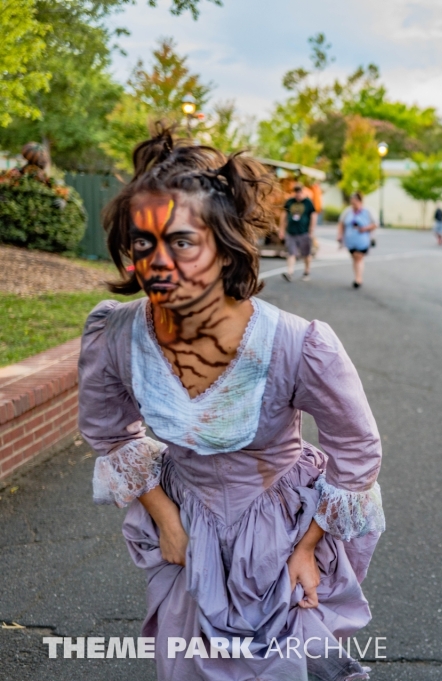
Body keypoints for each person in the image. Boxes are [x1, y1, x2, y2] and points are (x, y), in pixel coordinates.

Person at [83, 129, 384, 680]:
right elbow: (110, 431)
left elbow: (357, 448)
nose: (157, 263)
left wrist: (309, 547)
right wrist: (166, 518)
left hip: (280, 530)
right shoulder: (116, 335)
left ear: (223, 247)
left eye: (180, 242)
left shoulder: (298, 344)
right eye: (142, 243)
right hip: (186, 527)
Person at [280, 183, 316, 282]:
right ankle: (290, 272)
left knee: (306, 253)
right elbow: (284, 215)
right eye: (296, 192)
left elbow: (313, 216)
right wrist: (281, 229)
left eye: (299, 192)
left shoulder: (308, 202)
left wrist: (311, 230)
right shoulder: (290, 202)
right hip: (291, 232)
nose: (298, 195)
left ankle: (307, 271)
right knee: (291, 252)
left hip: (304, 232)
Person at [340, 192, 377, 289]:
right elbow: (341, 223)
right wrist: (340, 236)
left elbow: (375, 224)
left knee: (358, 257)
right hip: (350, 239)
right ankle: (357, 276)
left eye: (355, 202)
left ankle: (358, 279)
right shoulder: (348, 211)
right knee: (355, 258)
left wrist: (365, 228)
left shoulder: (368, 211)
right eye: (352, 202)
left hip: (362, 239)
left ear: (360, 201)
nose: (353, 204)